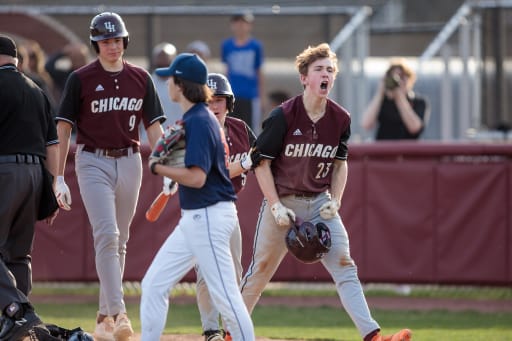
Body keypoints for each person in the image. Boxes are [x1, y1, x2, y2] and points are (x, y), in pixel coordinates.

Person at [239, 43, 412, 341]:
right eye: (319, 69)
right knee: (260, 271)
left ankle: (372, 335)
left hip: (319, 202)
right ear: (304, 78)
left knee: (345, 266)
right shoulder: (283, 116)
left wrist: (337, 200)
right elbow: (260, 164)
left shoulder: (340, 118)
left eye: (330, 70)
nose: (325, 75)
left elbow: (340, 164)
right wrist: (275, 205)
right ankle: (232, 331)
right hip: (282, 202)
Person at [54, 12, 166, 341]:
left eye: (116, 40)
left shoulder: (141, 78)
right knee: (107, 234)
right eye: (105, 41)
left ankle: (103, 318)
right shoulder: (81, 78)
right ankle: (119, 313)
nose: (112, 46)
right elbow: (63, 127)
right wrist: (58, 176)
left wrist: (164, 163)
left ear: (124, 41)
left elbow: (155, 127)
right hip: (91, 160)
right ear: (96, 45)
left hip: (130, 159)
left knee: (122, 239)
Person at [140, 53, 255, 341]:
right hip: (196, 216)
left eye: (171, 79)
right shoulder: (196, 119)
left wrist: (161, 167)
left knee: (227, 296)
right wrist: (173, 173)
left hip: (209, 215)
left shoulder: (200, 122)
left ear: (181, 84)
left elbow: (197, 177)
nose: (167, 83)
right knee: (153, 284)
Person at [0, 34, 59, 340]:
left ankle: (17, 312)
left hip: (4, 172)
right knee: (18, 255)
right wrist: (50, 191)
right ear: (16, 60)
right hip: (35, 174)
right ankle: (21, 327)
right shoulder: (37, 90)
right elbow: (53, 145)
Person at [196, 73, 256, 341]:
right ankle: (211, 329)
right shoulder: (197, 129)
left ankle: (231, 327)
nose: (214, 104)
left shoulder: (240, 128)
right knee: (206, 271)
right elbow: (213, 171)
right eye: (209, 100)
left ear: (228, 102)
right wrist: (246, 163)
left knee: (234, 272)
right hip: (202, 207)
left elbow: (263, 156)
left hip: (228, 207)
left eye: (219, 99)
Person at [361, 58, 429, 140]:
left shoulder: (419, 102)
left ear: (409, 80)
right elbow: (366, 124)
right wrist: (380, 93)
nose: (397, 81)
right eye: (393, 77)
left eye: (402, 77)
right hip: (384, 151)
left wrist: (399, 96)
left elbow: (414, 128)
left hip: (408, 151)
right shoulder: (382, 102)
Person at [221, 11, 264, 134]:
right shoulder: (227, 45)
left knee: (250, 130)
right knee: (231, 129)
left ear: (250, 25)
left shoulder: (255, 46)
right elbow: (227, 70)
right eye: (237, 23)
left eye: (244, 23)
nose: (240, 26)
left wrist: (261, 97)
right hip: (233, 95)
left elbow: (259, 71)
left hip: (250, 95)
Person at [150, 42, 183, 125]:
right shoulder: (146, 83)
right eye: (160, 65)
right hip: (151, 137)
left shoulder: (183, 85)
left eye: (167, 64)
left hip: (178, 135)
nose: (163, 65)